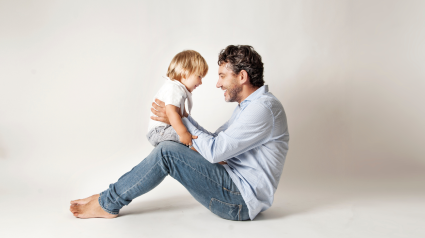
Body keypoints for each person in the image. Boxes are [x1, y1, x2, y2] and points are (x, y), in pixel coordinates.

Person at [70, 45, 289, 221]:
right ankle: (108, 197)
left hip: (239, 200)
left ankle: (107, 203)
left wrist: (179, 120)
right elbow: (214, 141)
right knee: (170, 148)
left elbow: (214, 152)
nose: (217, 83)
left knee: (167, 152)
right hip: (234, 187)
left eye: (222, 76)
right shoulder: (249, 107)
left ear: (242, 76)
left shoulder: (262, 109)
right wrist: (180, 122)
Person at [147, 50, 208, 148]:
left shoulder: (178, 88)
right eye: (199, 76)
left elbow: (183, 115)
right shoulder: (175, 88)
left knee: (193, 134)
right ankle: (209, 155)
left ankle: (205, 151)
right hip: (159, 131)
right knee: (191, 138)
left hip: (162, 131)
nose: (201, 82)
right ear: (184, 73)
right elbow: (171, 113)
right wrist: (183, 133)